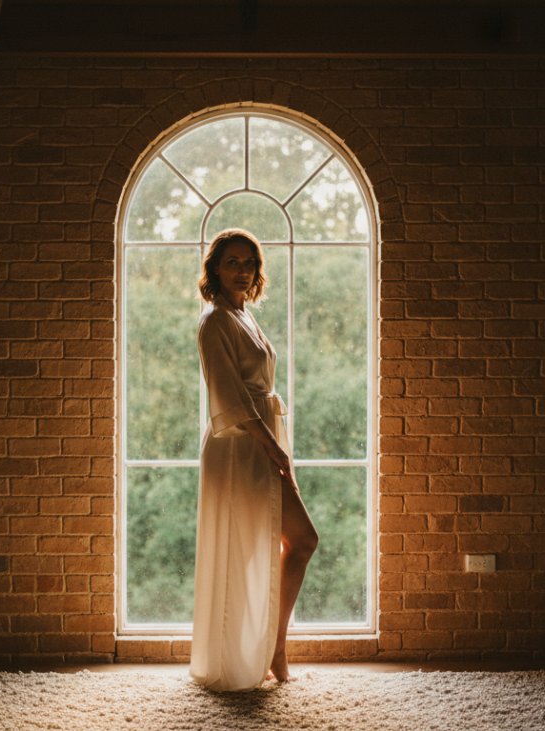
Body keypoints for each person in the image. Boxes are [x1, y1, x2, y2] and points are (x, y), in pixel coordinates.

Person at [189, 229, 319, 691]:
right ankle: (257, 656)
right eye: (232, 262)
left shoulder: (243, 315)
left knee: (299, 541)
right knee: (253, 547)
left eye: (248, 262)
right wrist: (271, 445)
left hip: (263, 441)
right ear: (215, 271)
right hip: (239, 447)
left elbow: (258, 391)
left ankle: (275, 650)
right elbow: (229, 394)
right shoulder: (215, 322)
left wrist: (276, 443)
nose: (242, 270)